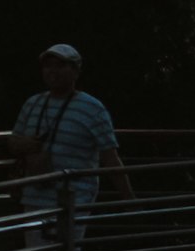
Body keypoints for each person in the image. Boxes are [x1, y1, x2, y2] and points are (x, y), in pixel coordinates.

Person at [10, 42, 122, 232]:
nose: (52, 71)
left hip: (74, 199)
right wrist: (27, 144)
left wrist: (127, 196)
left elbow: (110, 157)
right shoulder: (32, 103)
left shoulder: (92, 108)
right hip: (34, 197)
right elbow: (12, 142)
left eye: (60, 65)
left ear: (76, 71)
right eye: (48, 65)